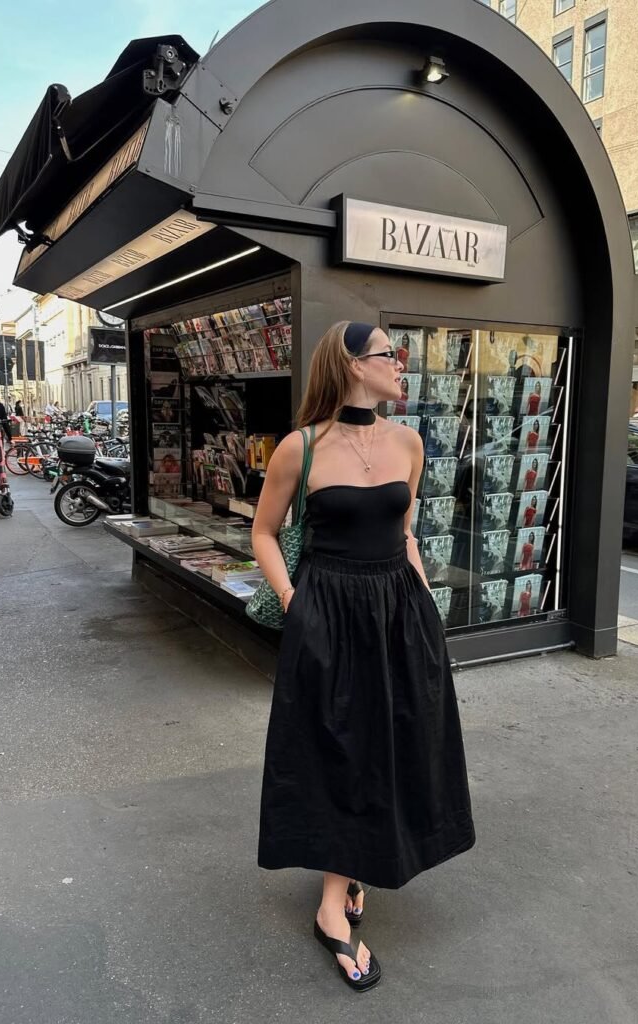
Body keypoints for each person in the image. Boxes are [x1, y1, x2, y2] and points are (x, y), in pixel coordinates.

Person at [252, 321, 475, 992]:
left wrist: (425, 609)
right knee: (337, 749)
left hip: (398, 612)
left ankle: (354, 869)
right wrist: (295, 602)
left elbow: (404, 534)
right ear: (352, 365)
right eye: (388, 354)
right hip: (329, 613)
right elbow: (262, 532)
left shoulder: (407, 442)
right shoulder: (302, 448)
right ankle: (329, 905)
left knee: (392, 742)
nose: (399, 363)